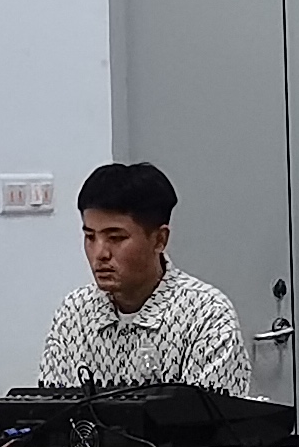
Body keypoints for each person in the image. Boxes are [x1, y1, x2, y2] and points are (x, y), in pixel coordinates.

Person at [34, 160, 250, 392]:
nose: (100, 253)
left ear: (159, 240)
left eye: (115, 238)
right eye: (90, 237)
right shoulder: (75, 313)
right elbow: (51, 406)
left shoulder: (205, 314)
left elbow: (212, 412)